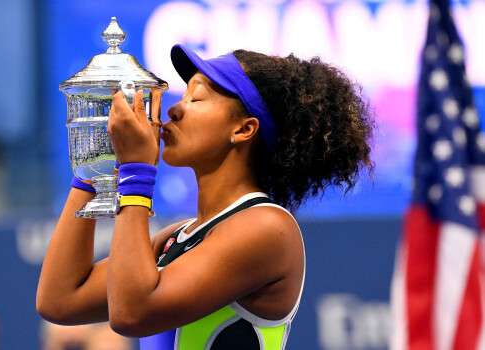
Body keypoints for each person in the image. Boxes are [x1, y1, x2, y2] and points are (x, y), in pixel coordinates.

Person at [36, 44, 374, 349]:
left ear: (244, 129)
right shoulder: (175, 237)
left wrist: (136, 172)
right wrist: (92, 171)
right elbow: (60, 300)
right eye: (182, 97)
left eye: (196, 99)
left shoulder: (268, 228)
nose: (174, 111)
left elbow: (132, 315)